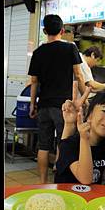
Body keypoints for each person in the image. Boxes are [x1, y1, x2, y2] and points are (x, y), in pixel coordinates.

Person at [28, 14, 86, 183]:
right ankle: (58, 180)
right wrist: (85, 97)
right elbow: (79, 75)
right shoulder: (70, 48)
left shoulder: (38, 52)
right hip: (63, 107)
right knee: (63, 143)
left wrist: (33, 104)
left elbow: (34, 81)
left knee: (44, 146)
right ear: (62, 30)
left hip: (44, 105)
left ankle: (42, 182)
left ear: (45, 31)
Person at [55, 88, 105, 185]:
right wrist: (84, 139)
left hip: (92, 198)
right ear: (90, 115)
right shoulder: (70, 144)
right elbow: (85, 179)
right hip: (68, 196)